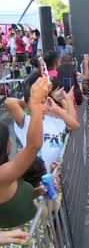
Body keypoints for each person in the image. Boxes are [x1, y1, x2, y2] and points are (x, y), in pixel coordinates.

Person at [0, 73, 46, 228]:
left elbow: (13, 198)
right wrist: (36, 101)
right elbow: (33, 145)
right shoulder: (3, 175)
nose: (12, 141)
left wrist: (37, 191)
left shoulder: (7, 173)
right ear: (5, 147)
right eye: (8, 138)